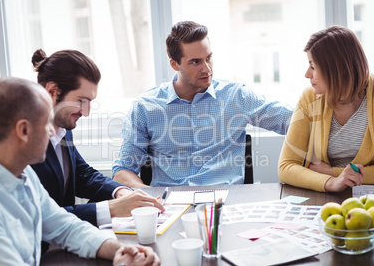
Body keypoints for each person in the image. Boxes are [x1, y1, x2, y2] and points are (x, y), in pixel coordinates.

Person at [0, 77, 160, 265]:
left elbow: (65, 227)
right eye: (46, 124)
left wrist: (120, 249)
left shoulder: (24, 174)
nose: (52, 133)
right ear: (24, 130)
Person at [112, 21, 293, 187]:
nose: (207, 68)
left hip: (227, 203)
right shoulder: (145, 107)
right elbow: (122, 171)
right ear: (175, 64)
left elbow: (292, 121)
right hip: (170, 204)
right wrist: (151, 197)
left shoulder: (237, 96)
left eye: (209, 58)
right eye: (195, 62)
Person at [30, 49, 164, 229]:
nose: (86, 112)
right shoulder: (24, 143)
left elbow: (81, 173)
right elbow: (42, 218)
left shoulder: (62, 127)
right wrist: (111, 209)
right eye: (81, 101)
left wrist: (120, 191)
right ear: (53, 91)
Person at [278, 25, 374, 192]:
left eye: (313, 66)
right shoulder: (309, 98)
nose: (307, 74)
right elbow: (286, 166)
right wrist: (331, 182)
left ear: (338, 69)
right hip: (326, 197)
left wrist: (334, 172)